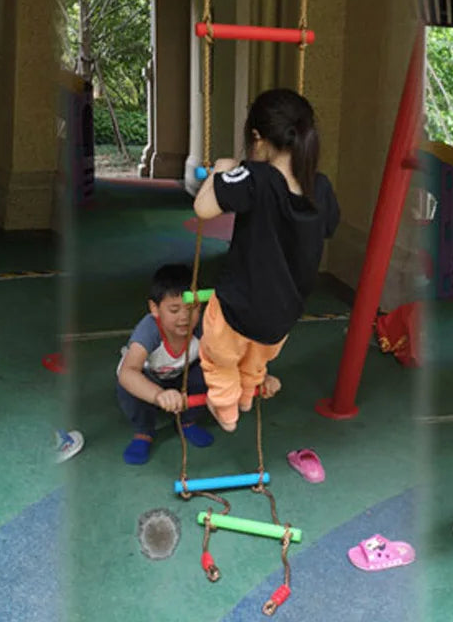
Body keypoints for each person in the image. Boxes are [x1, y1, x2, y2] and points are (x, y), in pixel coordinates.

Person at [192, 88, 340, 432]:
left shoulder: (256, 177)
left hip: (237, 309)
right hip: (282, 320)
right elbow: (328, 226)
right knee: (254, 364)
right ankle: (246, 396)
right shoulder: (321, 187)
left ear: (257, 138)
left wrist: (220, 171)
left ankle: (226, 410)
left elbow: (203, 208)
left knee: (218, 358)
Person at [116, 264, 214, 465]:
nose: (184, 317)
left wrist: (257, 377)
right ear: (155, 308)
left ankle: (187, 420)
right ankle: (144, 431)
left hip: (180, 374)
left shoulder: (204, 327)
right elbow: (128, 372)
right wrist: (158, 395)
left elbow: (226, 359)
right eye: (174, 309)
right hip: (147, 375)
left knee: (208, 371)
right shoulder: (149, 330)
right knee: (129, 385)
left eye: (192, 308)